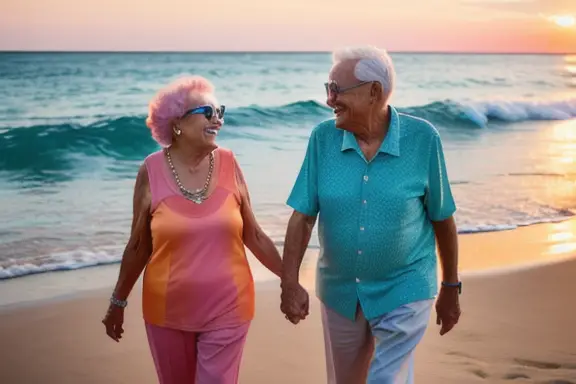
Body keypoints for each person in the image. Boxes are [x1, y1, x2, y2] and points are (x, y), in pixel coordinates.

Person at [280, 46, 461, 383]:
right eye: (327, 89)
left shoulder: (423, 140)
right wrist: (289, 283)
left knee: (385, 379)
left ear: (374, 91)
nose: (329, 99)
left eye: (337, 90)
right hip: (340, 291)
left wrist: (451, 285)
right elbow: (302, 217)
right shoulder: (322, 139)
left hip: (406, 287)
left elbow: (442, 218)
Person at [101, 76, 283, 384]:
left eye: (220, 111)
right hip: (166, 312)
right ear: (177, 124)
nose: (218, 119)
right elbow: (138, 246)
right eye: (208, 112)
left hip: (229, 306)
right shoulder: (151, 170)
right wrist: (118, 302)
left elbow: (253, 234)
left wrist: (289, 280)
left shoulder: (229, 163)